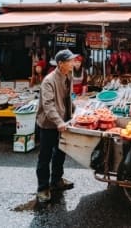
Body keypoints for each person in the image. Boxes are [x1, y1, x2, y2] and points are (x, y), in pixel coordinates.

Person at [36, 49, 78, 203]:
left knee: (60, 153)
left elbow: (67, 98)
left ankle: (56, 181)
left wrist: (76, 110)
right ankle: (42, 188)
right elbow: (48, 105)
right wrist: (59, 122)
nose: (73, 63)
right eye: (71, 61)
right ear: (61, 64)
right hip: (49, 124)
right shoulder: (49, 80)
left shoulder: (68, 75)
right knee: (45, 157)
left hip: (63, 121)